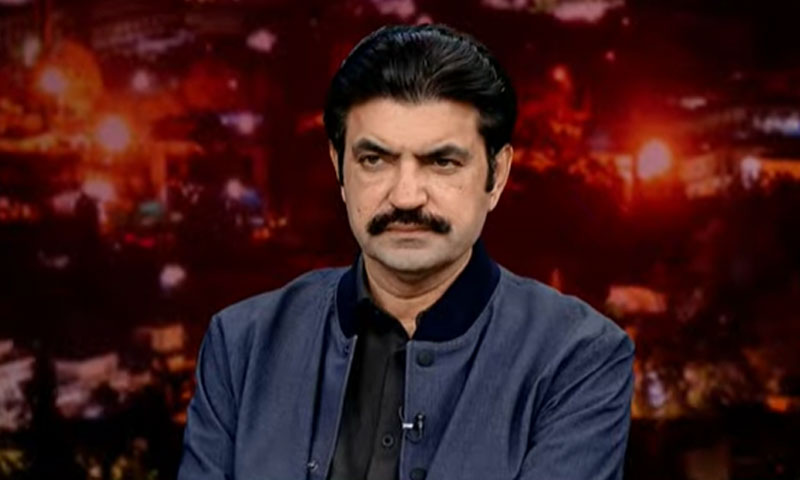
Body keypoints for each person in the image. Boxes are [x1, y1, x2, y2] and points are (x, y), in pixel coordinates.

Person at [178, 24, 634, 480]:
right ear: (339, 169)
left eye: (442, 162)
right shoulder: (242, 347)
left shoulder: (578, 357)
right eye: (374, 160)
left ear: (496, 175)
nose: (406, 196)